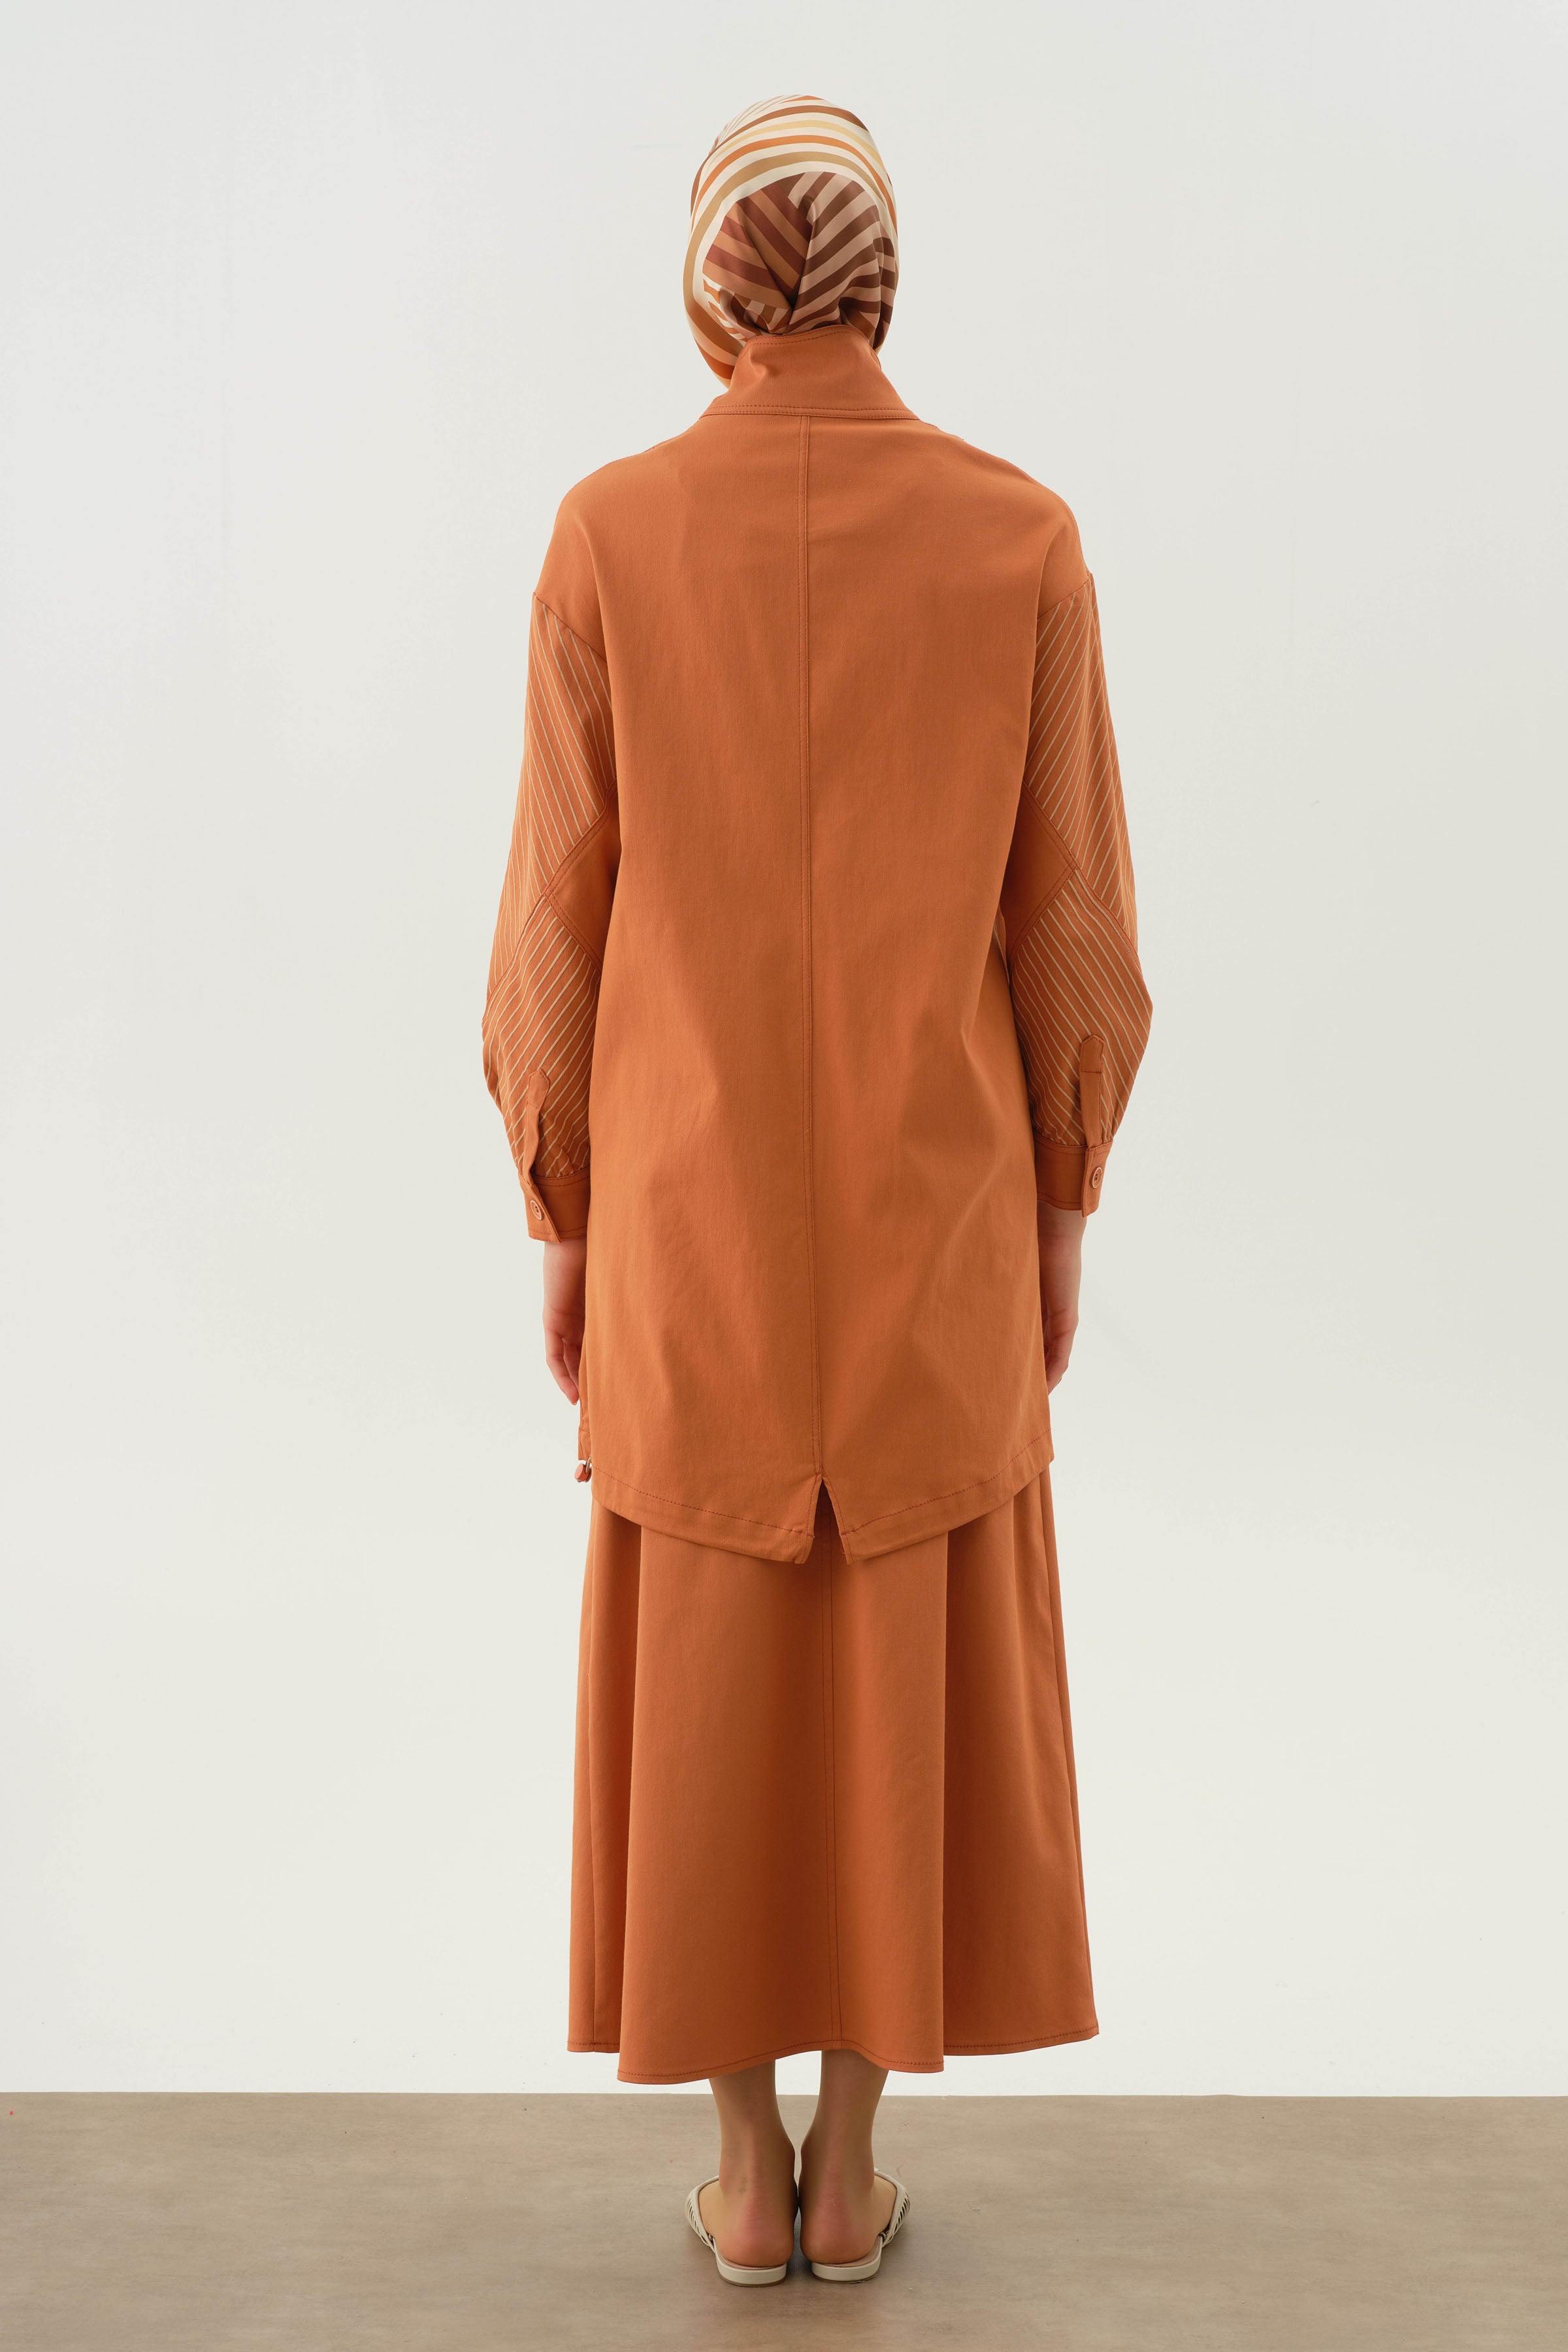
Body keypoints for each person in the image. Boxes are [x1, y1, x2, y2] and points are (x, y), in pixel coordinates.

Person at [483, 93, 1151, 2289]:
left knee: (713, 1674)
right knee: (891, 1681)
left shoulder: (606, 536)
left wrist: (564, 1216)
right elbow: (1073, 932)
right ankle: (853, 2169)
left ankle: (742, 2173)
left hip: (687, 1220)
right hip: (935, 1209)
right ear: (880, 280)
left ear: (711, 287)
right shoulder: (1021, 537)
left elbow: (553, 927)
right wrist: (1060, 1210)